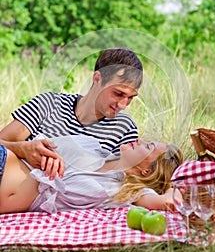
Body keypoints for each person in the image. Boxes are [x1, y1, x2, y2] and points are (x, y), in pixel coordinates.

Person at [0, 48, 143, 178]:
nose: (123, 105)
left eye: (130, 97)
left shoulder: (124, 128)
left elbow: (139, 177)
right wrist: (21, 149)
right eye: (118, 93)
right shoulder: (49, 104)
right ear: (97, 78)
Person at [0, 135, 183, 214]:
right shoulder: (92, 147)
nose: (139, 140)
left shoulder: (124, 191)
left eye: (148, 146)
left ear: (147, 171)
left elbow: (168, 202)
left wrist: (171, 184)